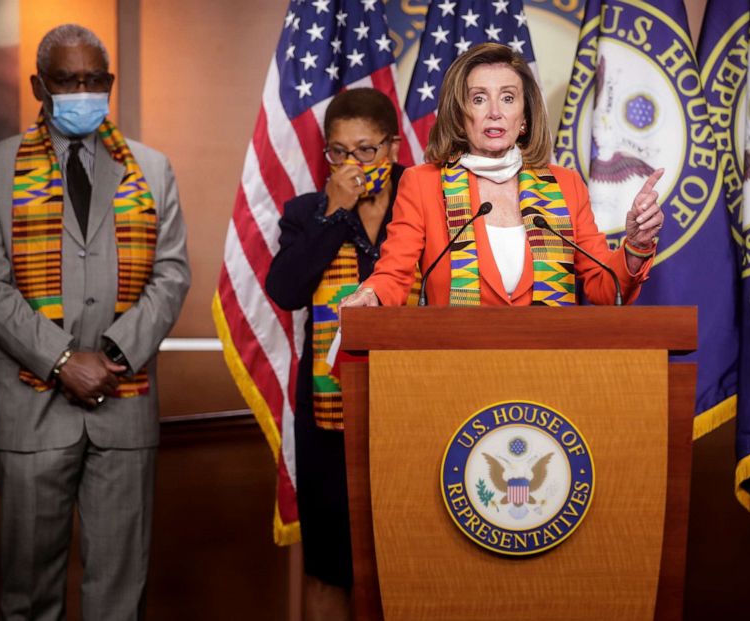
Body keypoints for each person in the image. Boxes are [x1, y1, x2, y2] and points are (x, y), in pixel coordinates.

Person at [0, 24, 190, 619]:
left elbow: (171, 275)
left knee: (121, 596)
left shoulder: (151, 169)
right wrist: (64, 360)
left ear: (110, 84)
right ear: (41, 86)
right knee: (29, 596)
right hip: (30, 412)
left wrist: (113, 357)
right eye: (68, 80)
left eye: (95, 80)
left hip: (124, 405)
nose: (83, 91)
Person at [340, 43, 662, 309]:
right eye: (479, 98)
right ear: (459, 114)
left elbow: (605, 287)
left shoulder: (565, 185)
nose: (495, 111)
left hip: (551, 367)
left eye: (508, 98)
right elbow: (394, 274)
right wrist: (370, 294)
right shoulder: (424, 184)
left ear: (524, 116)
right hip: (456, 366)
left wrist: (636, 245)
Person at [265, 87, 410, 620]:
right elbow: (285, 290)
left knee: (407, 562)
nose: (352, 164)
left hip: (411, 419)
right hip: (328, 421)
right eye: (338, 152)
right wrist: (334, 213)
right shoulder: (307, 214)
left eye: (366, 151)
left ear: (393, 149)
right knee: (329, 565)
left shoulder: (422, 208)